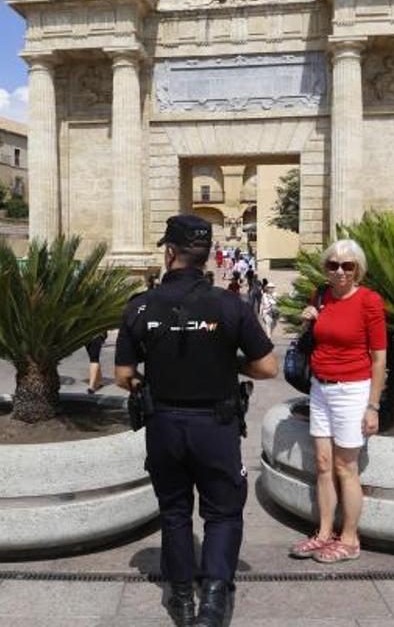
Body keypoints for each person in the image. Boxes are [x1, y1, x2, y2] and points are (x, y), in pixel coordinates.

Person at [115, 214, 278, 627]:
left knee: (173, 512)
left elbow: (122, 376)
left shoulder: (140, 306)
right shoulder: (229, 305)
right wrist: (229, 362)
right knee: (222, 513)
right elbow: (267, 367)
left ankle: (183, 600)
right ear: (205, 256)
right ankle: (214, 603)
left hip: (164, 426)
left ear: (169, 252)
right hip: (216, 426)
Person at [291, 239, 387, 564]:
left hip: (352, 390)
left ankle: (350, 539)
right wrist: (307, 320)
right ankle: (323, 533)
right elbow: (311, 341)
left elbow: (378, 358)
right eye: (333, 265)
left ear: (358, 268)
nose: (340, 271)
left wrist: (373, 406)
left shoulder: (369, 301)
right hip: (320, 388)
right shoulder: (320, 296)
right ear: (325, 268)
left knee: (346, 467)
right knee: (322, 464)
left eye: (347, 265)